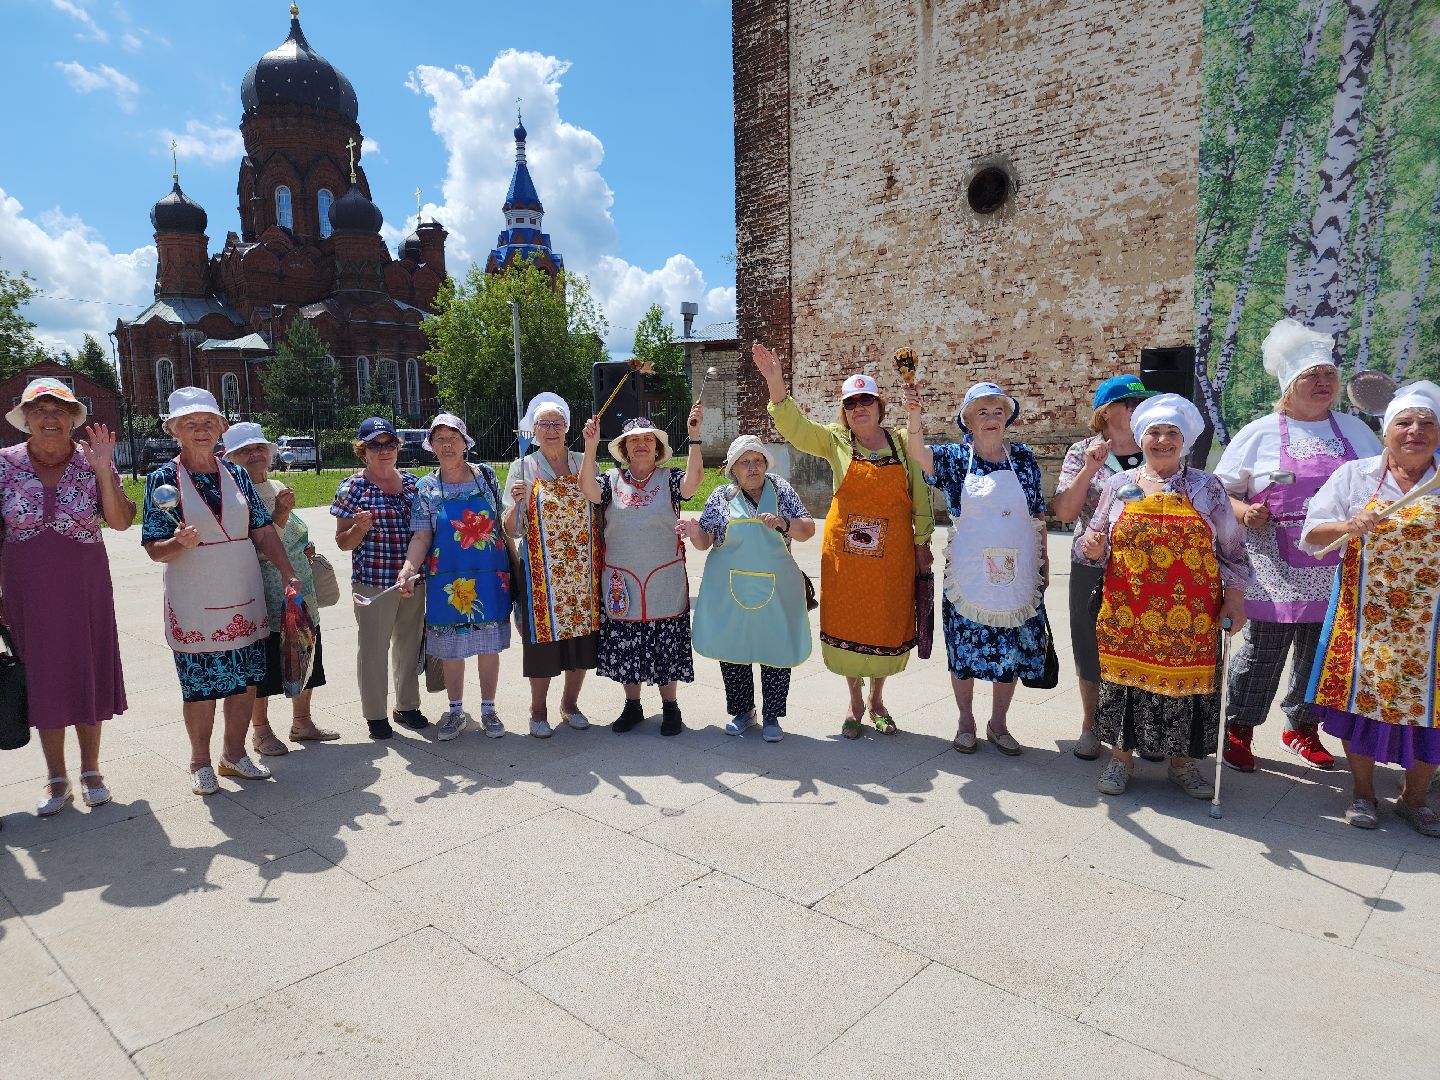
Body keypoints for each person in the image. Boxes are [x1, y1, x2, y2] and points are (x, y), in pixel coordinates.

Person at [1214, 319, 1381, 773]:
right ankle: (1239, 728)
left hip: (1337, 563)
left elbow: (1381, 486)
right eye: (1312, 376)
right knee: (1262, 651)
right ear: (1290, 385)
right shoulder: (1260, 432)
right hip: (1273, 565)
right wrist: (1245, 512)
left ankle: (1301, 729)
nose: (1324, 383)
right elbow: (1221, 492)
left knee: (1318, 651)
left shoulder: (1355, 431)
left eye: (1329, 375)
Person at [751, 343, 934, 739]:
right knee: (850, 623)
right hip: (846, 556)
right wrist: (775, 383)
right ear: (845, 411)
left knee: (885, 624)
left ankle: (877, 700)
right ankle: (854, 700)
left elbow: (920, 496)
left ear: (880, 405)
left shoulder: (903, 443)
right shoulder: (835, 440)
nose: (859, 408)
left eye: (866, 400)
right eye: (851, 404)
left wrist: (923, 543)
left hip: (893, 555)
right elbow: (797, 429)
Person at [1079, 394, 1251, 798]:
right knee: (1123, 681)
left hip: (1190, 614)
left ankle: (1182, 764)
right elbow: (1095, 539)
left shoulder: (1206, 487)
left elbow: (1232, 549)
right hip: (1127, 610)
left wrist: (1236, 597)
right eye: (1154, 432)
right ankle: (1120, 761)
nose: (1162, 440)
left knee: (1187, 685)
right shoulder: (1118, 485)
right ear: (1141, 439)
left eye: (1171, 432)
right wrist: (1091, 546)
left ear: (1185, 440)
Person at [142, 388, 303, 795]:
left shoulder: (237, 475)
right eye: (190, 424)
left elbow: (263, 530)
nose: (201, 430)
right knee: (201, 682)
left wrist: (287, 571)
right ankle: (199, 760)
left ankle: (234, 754)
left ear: (221, 428)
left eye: (208, 423)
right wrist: (179, 544)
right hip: (194, 596)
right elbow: (154, 549)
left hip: (242, 590)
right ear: (174, 430)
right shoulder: (162, 479)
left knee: (246, 678)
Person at [1301, 381, 1440, 837]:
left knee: (1433, 710)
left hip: (1431, 628)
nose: (1415, 430)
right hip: (1366, 621)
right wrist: (1348, 523)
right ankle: (1363, 793)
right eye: (1404, 422)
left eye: (1427, 422)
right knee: (1359, 701)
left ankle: (1415, 799)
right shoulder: (1355, 476)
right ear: (1386, 431)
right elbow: (1313, 534)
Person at [0, 378, 132, 815]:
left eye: (60, 410)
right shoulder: (4, 465)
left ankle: (91, 769)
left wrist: (102, 471)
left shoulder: (92, 460)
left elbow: (119, 522)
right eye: (40, 410)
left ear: (73, 419)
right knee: (43, 676)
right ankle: (56, 777)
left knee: (85, 668)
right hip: (25, 591)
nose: (50, 418)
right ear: (25, 419)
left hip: (84, 586)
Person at [905, 382, 1049, 755]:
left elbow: (1037, 515)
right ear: (967, 421)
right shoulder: (955, 458)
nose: (991, 418)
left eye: (998, 411)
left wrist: (1043, 562)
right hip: (970, 573)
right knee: (964, 651)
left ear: (1008, 418)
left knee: (1010, 653)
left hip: (1017, 574)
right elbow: (918, 454)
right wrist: (915, 413)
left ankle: (998, 724)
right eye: (982, 412)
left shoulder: (1024, 458)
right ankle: (965, 721)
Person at [579, 408, 705, 736]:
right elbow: (588, 491)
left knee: (665, 643)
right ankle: (632, 706)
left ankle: (670, 708)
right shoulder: (609, 480)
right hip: (622, 578)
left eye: (647, 439)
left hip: (664, 579)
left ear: (657, 447)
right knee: (627, 644)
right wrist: (590, 446)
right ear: (623, 448)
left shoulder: (671, 478)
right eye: (633, 441)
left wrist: (694, 437)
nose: (641, 445)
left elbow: (693, 484)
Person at [1052, 374, 1158, 760]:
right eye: (1129, 403)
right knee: (1089, 647)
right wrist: (1089, 468)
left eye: (1141, 403)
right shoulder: (1082, 451)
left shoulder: (1159, 448)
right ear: (1105, 411)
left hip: (1149, 567)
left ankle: (1145, 727)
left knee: (1146, 646)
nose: (1136, 409)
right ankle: (1091, 726)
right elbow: (1063, 511)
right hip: (1092, 563)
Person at [684, 436, 816, 742]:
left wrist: (784, 522)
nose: (753, 467)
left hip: (776, 588)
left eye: (758, 460)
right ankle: (743, 712)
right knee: (734, 648)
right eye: (745, 462)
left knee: (776, 648)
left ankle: (772, 717)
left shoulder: (781, 489)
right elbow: (705, 542)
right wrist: (694, 532)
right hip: (731, 589)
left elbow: (807, 529)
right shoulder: (721, 497)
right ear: (733, 469)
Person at [222, 423, 336, 756]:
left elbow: (290, 533)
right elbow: (256, 544)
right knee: (268, 662)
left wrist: (306, 543)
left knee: (305, 653)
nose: (256, 454)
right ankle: (261, 732)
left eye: (260, 448)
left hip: (299, 592)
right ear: (231, 459)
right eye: (245, 451)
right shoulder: (235, 494)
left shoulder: (274, 484)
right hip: (265, 591)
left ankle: (302, 722)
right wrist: (281, 515)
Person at [397, 414, 511, 742]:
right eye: (440, 439)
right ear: (431, 445)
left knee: (489, 645)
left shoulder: (486, 476)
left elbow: (503, 520)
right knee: (451, 647)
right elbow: (421, 536)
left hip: (489, 576)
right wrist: (408, 569)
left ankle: (489, 709)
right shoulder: (426, 486)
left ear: (465, 442)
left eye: (453, 438)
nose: (447, 445)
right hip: (447, 581)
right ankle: (456, 710)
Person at [502, 393, 600, 739]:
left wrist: (592, 448)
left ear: (567, 427)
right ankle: (538, 709)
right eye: (543, 424)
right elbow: (512, 529)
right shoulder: (523, 468)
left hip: (581, 572)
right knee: (541, 644)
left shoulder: (582, 461)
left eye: (557, 424)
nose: (551, 430)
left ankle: (570, 704)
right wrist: (517, 503)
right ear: (533, 430)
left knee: (580, 644)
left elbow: (598, 502)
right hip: (541, 576)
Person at [331, 417, 427, 741]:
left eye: (390, 444)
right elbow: (342, 542)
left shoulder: (414, 484)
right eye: (375, 445)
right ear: (363, 450)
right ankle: (376, 715)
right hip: (373, 582)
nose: (384, 451)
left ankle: (407, 705)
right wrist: (358, 529)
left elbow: (424, 532)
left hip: (412, 580)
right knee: (373, 649)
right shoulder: (352, 488)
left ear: (398, 447)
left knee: (409, 645)